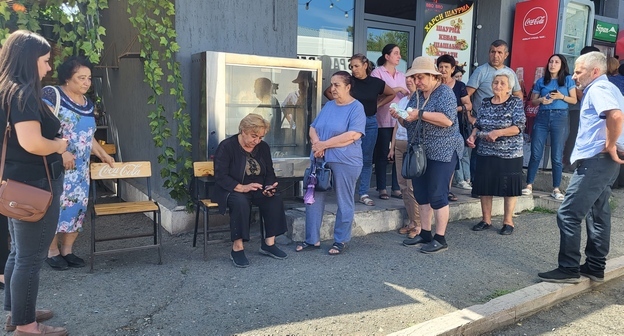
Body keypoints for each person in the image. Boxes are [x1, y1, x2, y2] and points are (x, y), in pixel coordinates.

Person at [0, 30, 69, 336]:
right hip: (35, 185)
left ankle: (17, 314)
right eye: (44, 60)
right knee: (29, 258)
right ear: (29, 61)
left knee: (18, 253)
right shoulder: (24, 93)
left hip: (17, 183)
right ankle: (26, 326)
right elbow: (32, 143)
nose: (48, 67)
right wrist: (59, 145)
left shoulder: (6, 90)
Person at [538, 52, 624, 284]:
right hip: (604, 162)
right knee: (597, 214)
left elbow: (615, 115)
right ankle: (595, 267)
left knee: (568, 213)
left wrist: (610, 144)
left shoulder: (598, 89)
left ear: (595, 71)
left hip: (597, 160)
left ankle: (568, 268)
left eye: (578, 71)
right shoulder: (609, 87)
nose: (574, 76)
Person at [43, 56, 115, 271]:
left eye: (89, 78)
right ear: (67, 78)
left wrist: (103, 154)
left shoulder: (88, 103)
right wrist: (61, 150)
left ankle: (68, 250)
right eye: (80, 78)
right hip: (57, 167)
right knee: (55, 210)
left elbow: (87, 136)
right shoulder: (51, 95)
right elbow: (41, 129)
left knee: (75, 210)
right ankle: (52, 252)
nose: (86, 82)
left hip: (80, 170)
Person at [390, 56, 463, 254]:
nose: (417, 81)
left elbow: (447, 120)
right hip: (420, 150)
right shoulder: (417, 95)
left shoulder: (445, 93)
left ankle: (440, 239)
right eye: (415, 77)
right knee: (421, 194)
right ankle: (425, 233)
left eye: (421, 77)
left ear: (433, 76)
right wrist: (401, 117)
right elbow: (410, 121)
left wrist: (419, 114)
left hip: (443, 150)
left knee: (438, 194)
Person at [299, 71, 365, 255]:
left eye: (337, 85)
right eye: (332, 84)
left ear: (348, 87)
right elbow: (313, 127)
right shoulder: (329, 105)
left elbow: (352, 135)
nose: (333, 88)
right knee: (312, 198)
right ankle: (311, 239)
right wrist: (316, 144)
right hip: (320, 159)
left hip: (346, 160)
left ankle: (340, 240)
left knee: (344, 201)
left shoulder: (356, 108)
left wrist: (323, 145)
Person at [213, 113, 288, 268]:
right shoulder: (227, 146)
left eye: (260, 137)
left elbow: (269, 172)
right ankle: (237, 248)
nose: (257, 141)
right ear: (243, 131)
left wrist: (269, 187)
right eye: (254, 136)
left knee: (274, 198)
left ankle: (269, 243)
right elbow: (220, 176)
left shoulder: (263, 147)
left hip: (257, 187)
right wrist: (242, 187)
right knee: (240, 202)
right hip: (232, 188)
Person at [324, 54, 395, 206]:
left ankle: (363, 193)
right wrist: (342, 107)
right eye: (351, 67)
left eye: (356, 66)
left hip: (369, 122)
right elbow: (328, 92)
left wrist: (378, 104)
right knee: (344, 155)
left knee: (366, 158)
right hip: (348, 123)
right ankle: (344, 191)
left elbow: (392, 93)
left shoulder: (376, 83)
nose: (353, 69)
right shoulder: (349, 82)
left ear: (365, 65)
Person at [467, 69, 526, 235]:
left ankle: (508, 221)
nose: (498, 86)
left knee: (509, 188)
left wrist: (498, 132)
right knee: (485, 186)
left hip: (510, 153)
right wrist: (472, 137)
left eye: (502, 83)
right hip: (486, 151)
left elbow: (519, 127)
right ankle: (486, 219)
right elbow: (478, 124)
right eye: (495, 82)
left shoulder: (514, 102)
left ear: (508, 88)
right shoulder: (485, 102)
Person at [466, 40, 523, 198]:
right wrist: (469, 116)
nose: (495, 55)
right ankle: (477, 187)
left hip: (506, 138)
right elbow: (467, 95)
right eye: (492, 51)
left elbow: (518, 94)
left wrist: (514, 105)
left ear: (506, 55)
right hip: (483, 124)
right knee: (478, 159)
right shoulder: (481, 71)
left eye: (499, 52)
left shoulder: (510, 73)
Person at [523, 54, 577, 200]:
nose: (552, 64)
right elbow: (532, 102)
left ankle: (556, 188)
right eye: (551, 62)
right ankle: (529, 184)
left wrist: (561, 97)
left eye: (556, 62)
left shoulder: (567, 79)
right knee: (536, 152)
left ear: (562, 65)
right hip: (542, 116)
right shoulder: (541, 81)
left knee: (557, 154)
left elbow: (574, 99)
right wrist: (542, 100)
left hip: (560, 116)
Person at [371, 44, 408, 200]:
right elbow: (376, 94)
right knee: (382, 155)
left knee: (398, 154)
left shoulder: (402, 75)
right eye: (396, 53)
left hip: (399, 121)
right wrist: (397, 89)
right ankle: (381, 188)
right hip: (383, 119)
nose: (399, 56)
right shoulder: (377, 73)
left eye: (399, 54)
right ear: (387, 56)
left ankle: (396, 187)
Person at [437, 54, 473, 200]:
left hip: (455, 127)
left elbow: (468, 105)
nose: (443, 70)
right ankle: (438, 188)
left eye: (446, 67)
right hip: (436, 126)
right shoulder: (435, 84)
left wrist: (455, 109)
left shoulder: (460, 86)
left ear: (452, 69)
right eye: (440, 67)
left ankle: (447, 189)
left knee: (450, 160)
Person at [389, 75, 421, 239]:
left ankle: (418, 224)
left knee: (412, 187)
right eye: (407, 77)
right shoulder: (403, 101)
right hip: (400, 143)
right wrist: (392, 146)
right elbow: (396, 125)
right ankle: (411, 221)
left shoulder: (420, 101)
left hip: (411, 145)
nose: (409, 80)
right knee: (402, 186)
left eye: (413, 78)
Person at [253, 77, 283, 147]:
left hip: (265, 141)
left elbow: (265, 124)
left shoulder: (269, 102)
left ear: (262, 89)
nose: (254, 91)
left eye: (256, 88)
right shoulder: (266, 102)